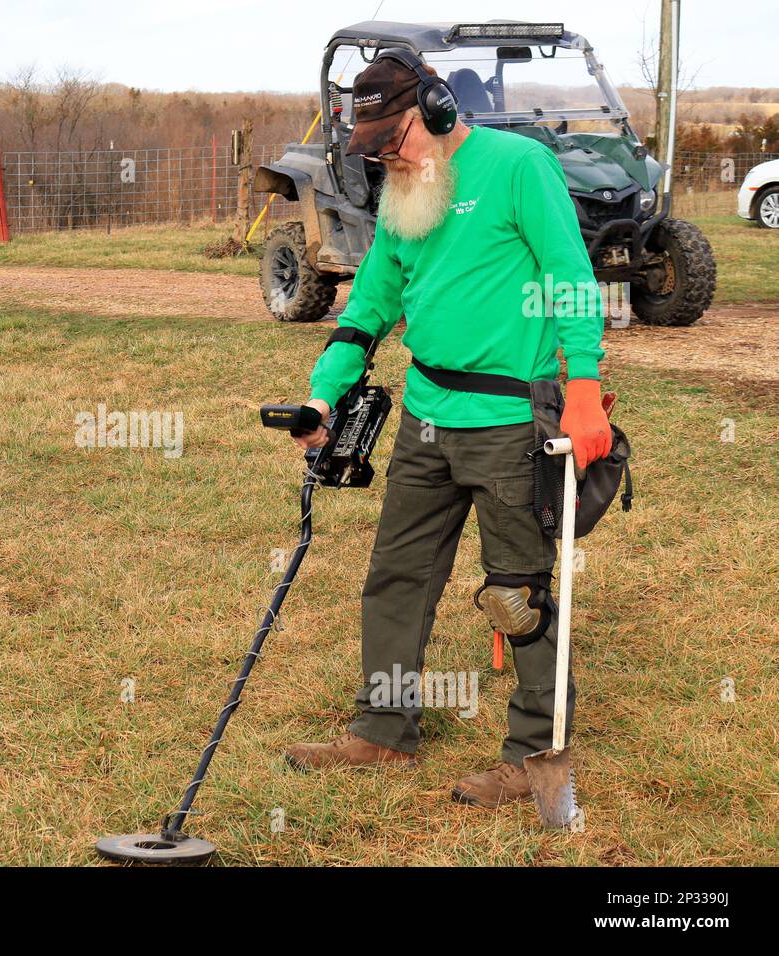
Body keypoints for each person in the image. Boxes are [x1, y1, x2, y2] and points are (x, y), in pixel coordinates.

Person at [283, 53, 613, 808]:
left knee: (515, 597)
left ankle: (536, 763)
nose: (385, 155)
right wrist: (322, 398)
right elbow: (370, 303)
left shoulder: (517, 166)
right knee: (396, 577)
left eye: (392, 136)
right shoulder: (406, 194)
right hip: (426, 418)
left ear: (436, 108)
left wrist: (586, 387)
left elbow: (569, 273)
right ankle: (382, 731)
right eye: (371, 145)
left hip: (507, 421)